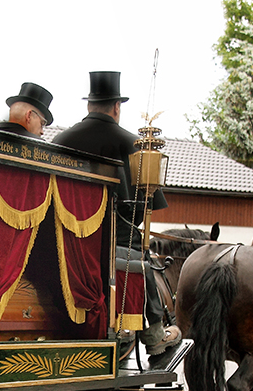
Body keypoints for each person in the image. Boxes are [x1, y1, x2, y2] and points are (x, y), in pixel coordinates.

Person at [53, 71, 179, 356]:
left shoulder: (61, 140)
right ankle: (154, 333)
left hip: (68, 239)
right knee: (142, 251)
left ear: (89, 105)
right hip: (116, 239)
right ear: (117, 107)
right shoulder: (135, 145)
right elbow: (144, 208)